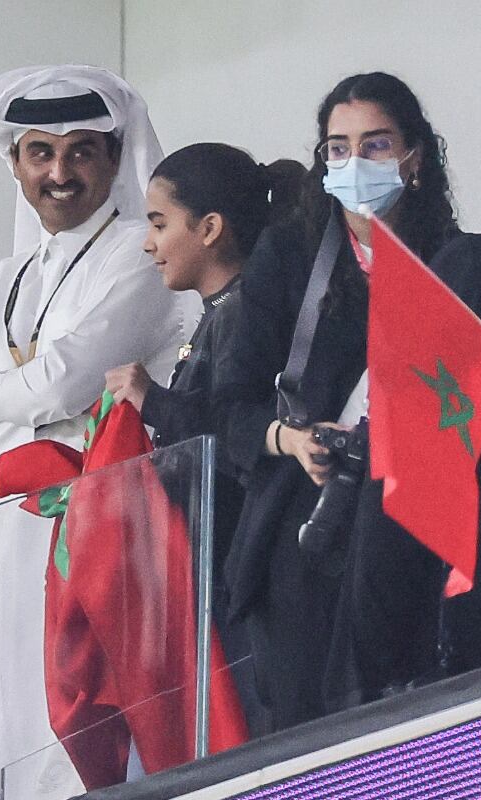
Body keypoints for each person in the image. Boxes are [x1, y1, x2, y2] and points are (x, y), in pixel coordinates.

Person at [214, 71, 481, 730]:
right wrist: (288, 438)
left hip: (424, 526)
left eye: (375, 145)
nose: (355, 163)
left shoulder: (463, 261)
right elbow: (227, 401)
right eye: (338, 148)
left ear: (413, 159)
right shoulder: (291, 253)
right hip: (311, 524)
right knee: (311, 739)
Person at [0, 64, 191, 800]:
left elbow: (64, 384)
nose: (59, 172)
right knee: (2, 783)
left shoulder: (140, 252)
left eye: (80, 152)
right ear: (15, 164)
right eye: (40, 152)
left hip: (94, 550)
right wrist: (22, 410)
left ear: (111, 157)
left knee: (85, 770)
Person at [105, 143, 302, 733]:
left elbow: (234, 429)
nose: (148, 244)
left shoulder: (245, 313)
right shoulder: (222, 313)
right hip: (210, 572)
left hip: (236, 570)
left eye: (159, 225)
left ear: (210, 228)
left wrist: (154, 400)